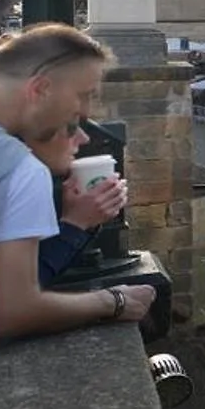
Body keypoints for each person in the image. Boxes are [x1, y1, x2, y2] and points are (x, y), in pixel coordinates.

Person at [0, 25, 155, 340]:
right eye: (83, 96)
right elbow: (12, 313)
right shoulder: (20, 170)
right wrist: (114, 302)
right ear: (40, 88)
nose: (85, 111)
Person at [27, 120, 131, 286]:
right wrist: (76, 223)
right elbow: (18, 291)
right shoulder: (20, 180)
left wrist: (85, 220)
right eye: (71, 127)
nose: (84, 139)